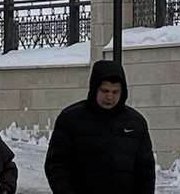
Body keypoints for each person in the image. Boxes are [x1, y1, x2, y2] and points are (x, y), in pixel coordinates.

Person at [44, 60, 155, 194]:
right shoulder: (71, 119)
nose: (109, 97)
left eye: (115, 92)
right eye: (105, 90)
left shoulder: (135, 124)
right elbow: (56, 164)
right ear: (95, 88)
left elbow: (145, 173)